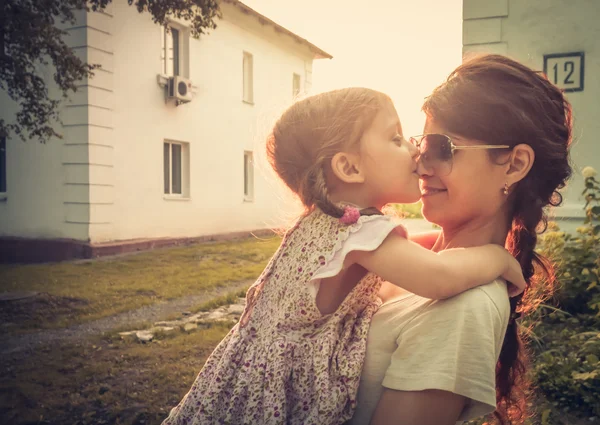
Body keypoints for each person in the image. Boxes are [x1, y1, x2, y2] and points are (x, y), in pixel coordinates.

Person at [161, 87, 526, 425]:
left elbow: (413, 252)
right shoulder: (360, 232)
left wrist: (445, 245)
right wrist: (497, 257)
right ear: (349, 168)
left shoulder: (333, 224)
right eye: (397, 139)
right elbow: (439, 276)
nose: (417, 152)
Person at [350, 55, 573, 425]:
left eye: (442, 148)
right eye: (421, 146)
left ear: (515, 165)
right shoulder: (409, 254)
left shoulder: (464, 307)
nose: (421, 166)